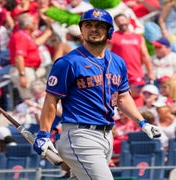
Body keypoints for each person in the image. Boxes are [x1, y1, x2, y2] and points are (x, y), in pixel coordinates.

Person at [32, 8, 161, 180]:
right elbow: (51, 99)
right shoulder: (68, 62)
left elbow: (122, 97)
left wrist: (142, 122)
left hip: (107, 135)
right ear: (81, 30)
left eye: (100, 25)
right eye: (88, 25)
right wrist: (43, 133)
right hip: (80, 135)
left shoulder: (118, 62)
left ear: (109, 31)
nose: (94, 29)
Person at [108, 13, 155, 83]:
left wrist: (150, 72)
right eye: (118, 21)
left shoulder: (138, 37)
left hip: (137, 73)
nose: (121, 23)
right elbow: (106, 55)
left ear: (128, 20)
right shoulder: (113, 37)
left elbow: (145, 55)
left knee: (137, 93)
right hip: (119, 74)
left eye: (122, 20)